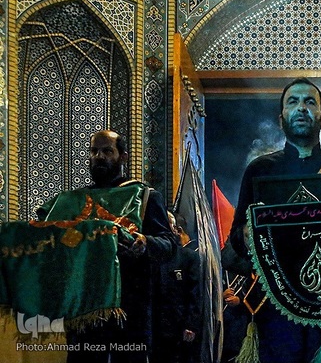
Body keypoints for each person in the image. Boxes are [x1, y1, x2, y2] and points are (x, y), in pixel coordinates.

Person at [228, 77, 321, 363]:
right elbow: (236, 239)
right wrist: (245, 235)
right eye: (293, 102)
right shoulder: (260, 170)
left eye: (309, 102)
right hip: (276, 306)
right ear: (282, 120)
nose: (301, 108)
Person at [37, 130, 178, 363]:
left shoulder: (145, 196)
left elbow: (169, 244)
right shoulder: (73, 201)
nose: (99, 157)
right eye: (94, 151)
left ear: (123, 156)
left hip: (129, 305)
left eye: (107, 151)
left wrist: (144, 242)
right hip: (85, 306)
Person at [151, 211, 202, 363]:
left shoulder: (188, 257)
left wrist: (190, 325)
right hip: (153, 326)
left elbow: (194, 294)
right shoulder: (149, 255)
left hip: (178, 328)